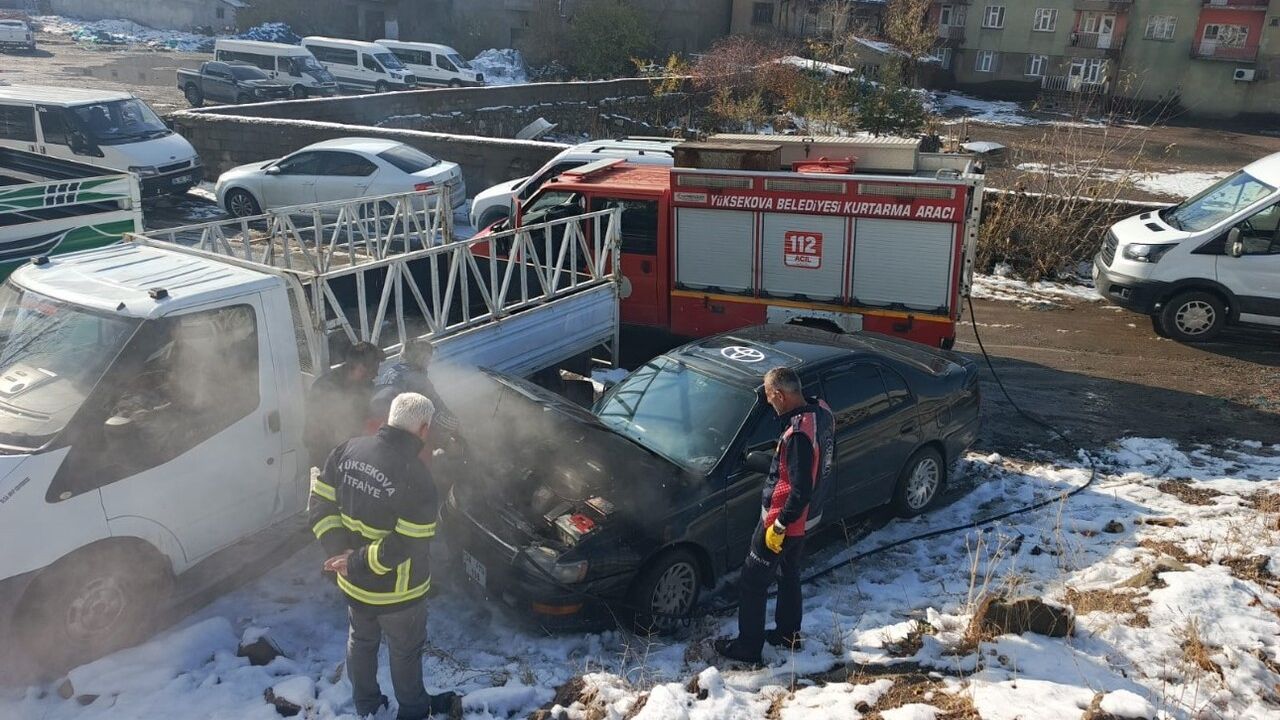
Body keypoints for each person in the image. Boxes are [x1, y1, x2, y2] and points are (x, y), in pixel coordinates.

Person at [308, 392, 459, 719]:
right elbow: (409, 543)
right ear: (423, 428)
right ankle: (414, 711)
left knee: (360, 643)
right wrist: (355, 561)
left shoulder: (346, 450)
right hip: (398, 594)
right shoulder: (417, 477)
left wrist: (339, 553)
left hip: (352, 584)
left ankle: (367, 706)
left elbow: (319, 503)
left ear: (391, 417)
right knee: (405, 653)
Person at [715, 367, 834, 665]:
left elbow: (800, 488)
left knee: (752, 582)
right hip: (808, 518)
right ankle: (788, 634)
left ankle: (748, 647)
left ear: (780, 395)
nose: (770, 404)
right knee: (788, 573)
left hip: (783, 523)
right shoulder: (821, 411)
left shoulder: (797, 435)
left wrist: (779, 525)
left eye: (770, 398)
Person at [305, 341, 385, 467]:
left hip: (354, 449)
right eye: (373, 369)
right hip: (327, 453)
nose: (376, 374)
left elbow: (366, 417)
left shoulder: (367, 385)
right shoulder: (325, 387)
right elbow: (316, 430)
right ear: (359, 367)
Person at [369, 339, 460, 450]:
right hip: (400, 434)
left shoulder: (391, 371)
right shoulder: (418, 379)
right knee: (451, 446)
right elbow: (438, 412)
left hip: (378, 429)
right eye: (428, 359)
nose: (429, 363)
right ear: (422, 358)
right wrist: (457, 427)